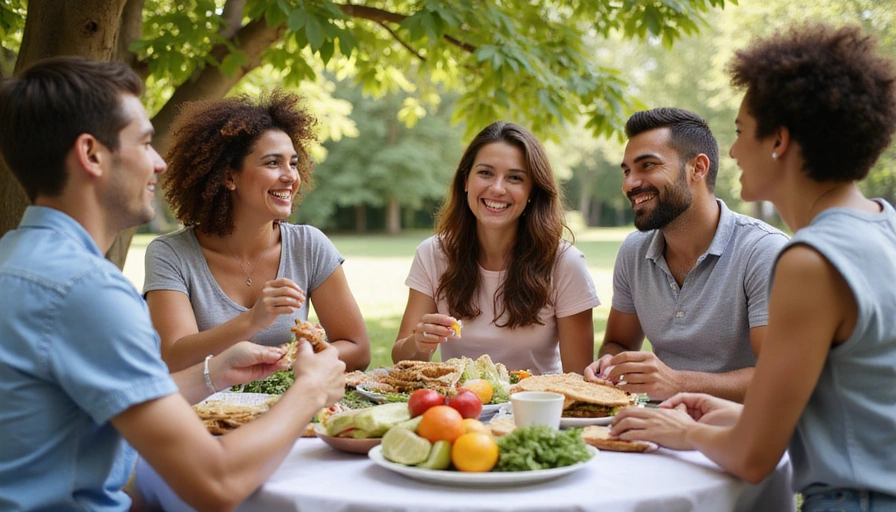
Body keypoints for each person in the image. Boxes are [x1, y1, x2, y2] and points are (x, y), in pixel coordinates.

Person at [0, 57, 346, 511]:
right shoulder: (86, 291)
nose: (160, 163)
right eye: (145, 142)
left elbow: (94, 405)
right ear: (91, 154)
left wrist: (213, 373)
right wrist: (310, 392)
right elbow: (216, 484)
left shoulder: (14, 257)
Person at [610, 24, 896, 510]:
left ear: (779, 141)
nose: (736, 151)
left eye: (742, 132)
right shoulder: (883, 227)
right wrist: (718, 411)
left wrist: (681, 430)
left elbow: (753, 459)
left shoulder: (808, 260)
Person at [143, 91, 370, 373]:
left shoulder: (309, 245)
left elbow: (357, 348)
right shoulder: (171, 254)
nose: (290, 176)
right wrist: (252, 320)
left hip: (292, 408)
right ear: (228, 177)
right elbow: (173, 358)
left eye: (294, 163)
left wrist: (288, 362)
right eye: (273, 163)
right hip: (207, 412)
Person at [583, 107, 788, 402]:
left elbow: (778, 376)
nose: (629, 184)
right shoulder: (633, 251)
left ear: (698, 168)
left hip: (740, 433)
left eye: (648, 166)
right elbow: (618, 342)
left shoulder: (763, 252)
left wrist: (678, 382)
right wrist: (610, 364)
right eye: (627, 171)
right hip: (658, 424)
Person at [391, 121, 601, 375]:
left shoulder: (565, 262)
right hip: (459, 409)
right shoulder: (433, 254)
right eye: (485, 173)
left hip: (534, 409)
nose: (498, 188)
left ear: (532, 190)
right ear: (466, 180)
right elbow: (402, 360)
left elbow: (578, 378)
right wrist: (418, 341)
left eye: (515, 178)